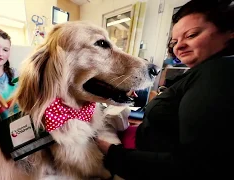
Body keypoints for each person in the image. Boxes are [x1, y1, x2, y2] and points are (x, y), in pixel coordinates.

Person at [96, 0, 234, 179]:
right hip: (138, 139)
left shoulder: (219, 72)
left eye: (191, 35)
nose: (179, 46)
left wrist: (111, 152)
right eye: (175, 41)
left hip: (139, 161)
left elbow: (194, 166)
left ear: (230, 31)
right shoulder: (201, 72)